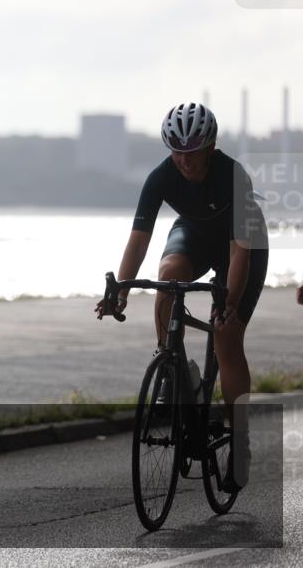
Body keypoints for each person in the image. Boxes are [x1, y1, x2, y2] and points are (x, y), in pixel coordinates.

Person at [96, 102, 268, 493]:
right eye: (177, 152)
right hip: (192, 234)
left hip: (243, 244)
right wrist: (120, 290)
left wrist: (228, 301)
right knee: (167, 279)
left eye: (192, 152)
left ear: (210, 147)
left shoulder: (233, 176)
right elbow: (138, 240)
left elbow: (240, 250)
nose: (185, 161)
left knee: (226, 337)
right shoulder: (160, 177)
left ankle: (240, 443)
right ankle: (172, 364)